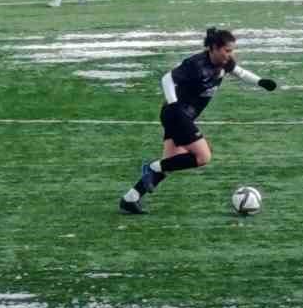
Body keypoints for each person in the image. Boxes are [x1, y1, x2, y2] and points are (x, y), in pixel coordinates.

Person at [119, 28, 277, 215]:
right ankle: (151, 166)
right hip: (177, 114)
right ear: (213, 48)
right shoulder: (195, 64)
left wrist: (260, 82)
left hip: (181, 116)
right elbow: (167, 78)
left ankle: (130, 198)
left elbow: (240, 72)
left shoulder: (224, 62)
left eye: (232, 50)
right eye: (227, 50)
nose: (230, 54)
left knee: (171, 162)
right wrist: (174, 104)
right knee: (203, 156)